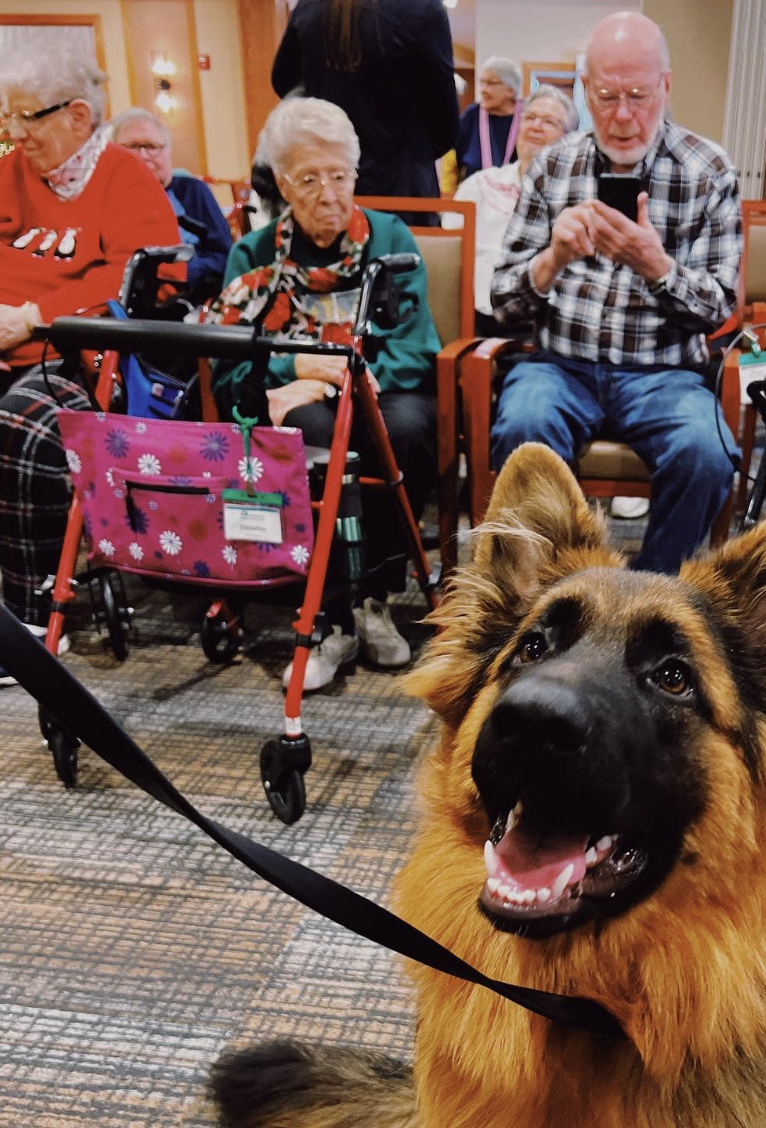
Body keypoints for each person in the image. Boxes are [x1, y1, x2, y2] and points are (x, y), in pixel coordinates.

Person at [489, 12, 741, 574]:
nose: (623, 116)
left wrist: (656, 266)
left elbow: (720, 308)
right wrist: (552, 258)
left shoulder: (708, 171)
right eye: (605, 96)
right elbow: (502, 303)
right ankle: (551, 597)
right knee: (523, 428)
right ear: (584, 89)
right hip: (560, 365)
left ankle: (651, 600)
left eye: (638, 95)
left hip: (665, 374)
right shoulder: (553, 167)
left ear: (666, 87)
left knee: (707, 454)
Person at [207, 97, 441, 691]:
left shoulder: (389, 238)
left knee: (407, 427)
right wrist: (292, 364)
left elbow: (416, 345)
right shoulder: (252, 256)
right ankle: (332, 616)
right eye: (309, 178)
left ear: (355, 174)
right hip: (294, 401)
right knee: (308, 431)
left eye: (339, 175)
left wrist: (344, 371)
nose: (328, 192)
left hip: (377, 385)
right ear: (283, 183)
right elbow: (230, 364)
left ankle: (377, 598)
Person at [0, 46, 181, 687]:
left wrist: (34, 314)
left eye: (28, 117)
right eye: (8, 118)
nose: (14, 133)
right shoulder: (11, 172)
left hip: (76, 360)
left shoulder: (123, 177)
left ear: (78, 116)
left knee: (20, 425)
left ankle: (26, 623)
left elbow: (143, 282)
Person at [271, 0, 459, 211]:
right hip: (401, 184)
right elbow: (445, 122)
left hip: (327, 180)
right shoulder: (422, 9)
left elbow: (282, 80)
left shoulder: (310, 6)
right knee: (402, 243)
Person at [444, 84, 578, 336]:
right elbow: (447, 257)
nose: (536, 125)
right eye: (529, 117)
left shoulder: (577, 196)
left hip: (542, 324)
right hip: (474, 319)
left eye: (549, 121)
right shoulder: (480, 185)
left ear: (571, 138)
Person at [107, 107, 232, 303]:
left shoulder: (193, 191)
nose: (143, 156)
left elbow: (223, 255)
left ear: (168, 151)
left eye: (151, 146)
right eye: (131, 147)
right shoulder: (105, 199)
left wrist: (181, 273)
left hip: (188, 301)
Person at [456, 56, 522, 183]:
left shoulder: (527, 117)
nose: (483, 89)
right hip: (474, 197)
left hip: (516, 198)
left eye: (490, 83)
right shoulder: (471, 116)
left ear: (510, 90)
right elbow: (455, 161)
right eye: (482, 82)